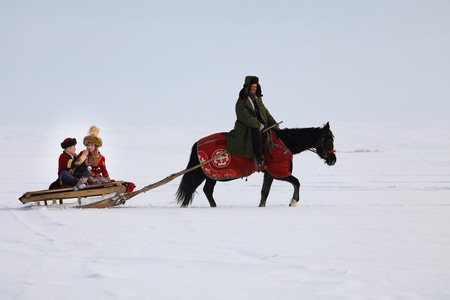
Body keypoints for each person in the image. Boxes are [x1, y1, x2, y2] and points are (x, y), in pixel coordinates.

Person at [226, 76, 278, 168]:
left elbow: (266, 112)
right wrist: (258, 125)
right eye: (252, 87)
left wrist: (274, 123)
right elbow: (245, 117)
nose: (254, 89)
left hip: (261, 125)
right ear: (248, 87)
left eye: (255, 87)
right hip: (246, 128)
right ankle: (259, 158)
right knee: (256, 132)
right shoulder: (242, 101)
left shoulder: (258, 99)